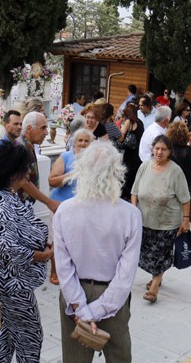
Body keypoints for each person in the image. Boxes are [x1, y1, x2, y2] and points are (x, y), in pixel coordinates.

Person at [54, 141, 142, 362]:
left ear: (81, 170)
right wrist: (98, 309)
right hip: (113, 297)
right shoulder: (130, 214)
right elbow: (125, 275)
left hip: (74, 296)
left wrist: (82, 310)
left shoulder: (64, 211)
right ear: (116, 172)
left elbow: (63, 269)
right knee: (119, 357)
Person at [0, 143, 53, 363]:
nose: (28, 173)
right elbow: (8, 248)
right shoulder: (0, 203)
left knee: (6, 332)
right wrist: (41, 256)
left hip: (3, 280)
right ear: (11, 172)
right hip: (13, 284)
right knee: (30, 336)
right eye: (25, 168)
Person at [131, 135, 191, 304]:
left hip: (167, 221)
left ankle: (154, 287)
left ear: (169, 152)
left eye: (163, 149)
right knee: (148, 254)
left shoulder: (175, 171)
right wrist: (134, 210)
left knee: (162, 254)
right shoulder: (144, 166)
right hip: (145, 219)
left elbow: (185, 199)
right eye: (157, 148)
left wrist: (185, 219)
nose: (159, 152)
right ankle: (157, 276)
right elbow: (134, 192)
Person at [19, 112, 60, 285]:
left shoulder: (28, 146)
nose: (46, 132)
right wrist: (49, 202)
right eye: (42, 128)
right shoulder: (20, 148)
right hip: (18, 204)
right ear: (29, 129)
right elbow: (25, 183)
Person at [49, 129, 94, 202]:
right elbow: (52, 182)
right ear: (75, 142)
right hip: (61, 203)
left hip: (83, 205)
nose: (83, 143)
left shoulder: (94, 159)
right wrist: (70, 175)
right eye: (80, 140)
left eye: (86, 141)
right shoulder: (65, 157)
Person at [117, 104, 144, 201]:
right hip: (138, 153)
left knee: (126, 176)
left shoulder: (129, 122)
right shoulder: (140, 122)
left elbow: (121, 136)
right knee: (134, 177)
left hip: (129, 153)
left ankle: (125, 197)